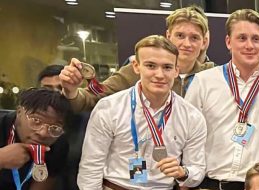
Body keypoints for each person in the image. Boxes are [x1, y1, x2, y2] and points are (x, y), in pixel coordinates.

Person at [78, 35, 206, 190]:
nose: (159, 74)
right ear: (136, 67)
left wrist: (183, 172)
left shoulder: (191, 116)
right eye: (151, 66)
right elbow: (90, 169)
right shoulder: (110, 108)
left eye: (167, 67)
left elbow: (197, 170)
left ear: (176, 70)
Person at [186, 9, 259, 190]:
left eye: (256, 39)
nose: (249, 45)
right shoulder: (203, 82)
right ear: (228, 42)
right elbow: (187, 141)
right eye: (242, 38)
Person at [60, 6, 213, 111]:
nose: (186, 44)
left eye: (194, 38)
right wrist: (71, 91)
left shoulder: (212, 75)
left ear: (204, 42)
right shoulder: (140, 70)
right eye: (180, 35)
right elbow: (93, 97)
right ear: (168, 36)